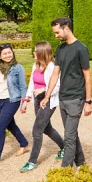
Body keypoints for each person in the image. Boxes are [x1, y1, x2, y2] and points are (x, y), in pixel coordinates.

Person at [42, 17, 92, 170]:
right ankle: (82, 163)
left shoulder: (81, 48)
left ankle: (65, 172)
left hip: (76, 99)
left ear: (66, 28)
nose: (56, 36)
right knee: (72, 134)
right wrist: (47, 95)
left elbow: (87, 76)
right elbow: (55, 74)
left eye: (57, 32)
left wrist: (88, 102)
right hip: (63, 98)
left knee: (69, 137)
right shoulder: (60, 49)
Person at [19, 40, 64, 172]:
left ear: (42, 52)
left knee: (37, 130)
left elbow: (57, 86)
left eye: (35, 50)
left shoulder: (52, 66)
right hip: (38, 99)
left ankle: (32, 161)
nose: (33, 52)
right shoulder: (36, 65)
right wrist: (26, 99)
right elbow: (32, 84)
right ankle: (64, 147)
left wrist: (44, 91)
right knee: (46, 128)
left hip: (48, 100)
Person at [0, 43, 29, 167]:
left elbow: (23, 86)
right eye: (5, 53)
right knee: (10, 125)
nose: (8, 55)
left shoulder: (18, 68)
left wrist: (24, 102)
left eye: (10, 52)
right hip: (0, 101)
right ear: (0, 56)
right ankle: (24, 143)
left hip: (12, 100)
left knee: (0, 128)